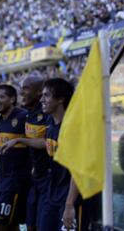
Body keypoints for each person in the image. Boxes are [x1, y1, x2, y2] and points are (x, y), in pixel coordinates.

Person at [0, 75, 50, 231]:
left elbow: (49, 143)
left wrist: (20, 140)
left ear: (39, 92)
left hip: (50, 178)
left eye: (26, 88)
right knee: (30, 225)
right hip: (33, 178)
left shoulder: (48, 113)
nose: (22, 92)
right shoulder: (27, 114)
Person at [0, 84, 31, 231]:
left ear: (12, 99)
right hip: (3, 178)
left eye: (1, 97)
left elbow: (36, 143)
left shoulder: (24, 116)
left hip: (18, 180)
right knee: (11, 225)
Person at [37, 78, 76, 231]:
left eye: (46, 95)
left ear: (60, 99)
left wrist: (70, 204)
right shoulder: (50, 124)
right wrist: (19, 140)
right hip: (53, 193)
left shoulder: (72, 127)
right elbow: (47, 142)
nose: (41, 99)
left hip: (71, 197)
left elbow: (78, 170)